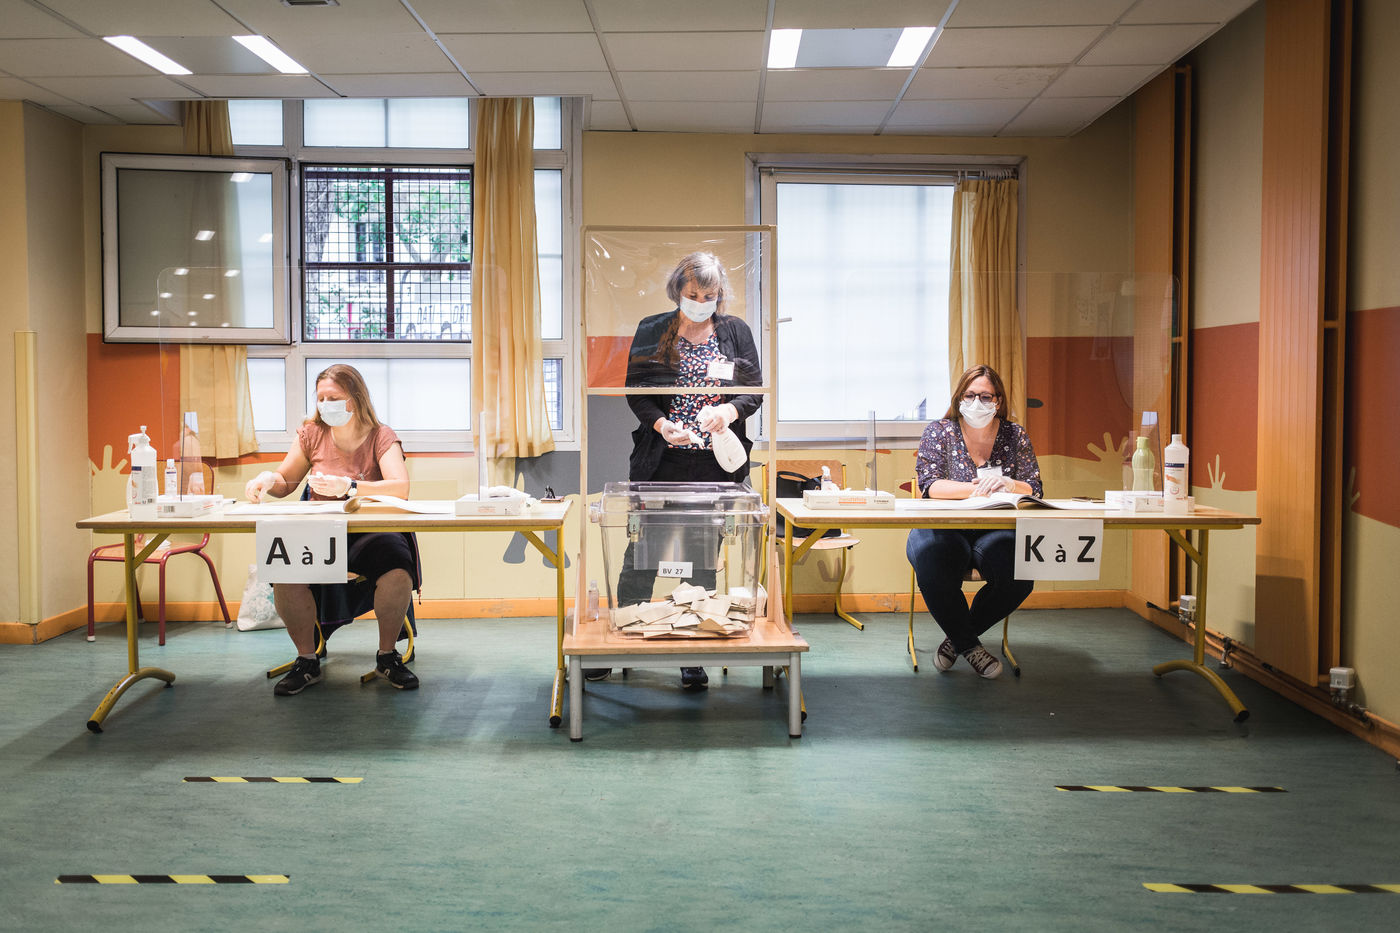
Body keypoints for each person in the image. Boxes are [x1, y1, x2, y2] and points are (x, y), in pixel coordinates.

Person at [587, 251, 763, 690]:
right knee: (644, 551)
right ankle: (624, 637)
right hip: (661, 459)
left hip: (714, 463)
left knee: (700, 556)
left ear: (720, 294)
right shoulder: (653, 329)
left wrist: (727, 411)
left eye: (709, 295)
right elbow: (637, 392)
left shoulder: (735, 331)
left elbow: (754, 391)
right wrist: (663, 424)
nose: (701, 302)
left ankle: (692, 648)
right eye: (693, 294)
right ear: (677, 292)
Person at [244, 363, 421, 696]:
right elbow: (285, 481)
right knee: (285, 571)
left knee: (398, 571)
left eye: (334, 397)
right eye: (321, 398)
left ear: (355, 398)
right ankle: (306, 661)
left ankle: (387, 657)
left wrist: (351, 486)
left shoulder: (381, 435)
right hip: (321, 530)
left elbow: (400, 488)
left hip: (371, 531)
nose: (325, 404)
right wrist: (267, 480)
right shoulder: (311, 433)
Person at [906, 364, 1042, 679]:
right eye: (969, 395)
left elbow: (1033, 488)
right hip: (943, 526)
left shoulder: (1015, 435)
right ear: (959, 398)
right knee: (931, 559)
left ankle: (956, 641)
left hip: (995, 530)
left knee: (1021, 574)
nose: (976, 403)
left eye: (985, 396)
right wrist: (979, 488)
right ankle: (971, 647)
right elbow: (931, 486)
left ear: (998, 400)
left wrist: (1009, 483)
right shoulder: (939, 431)